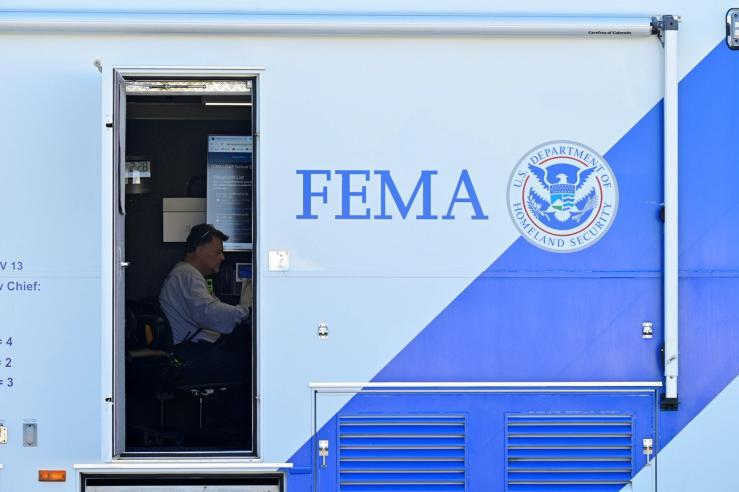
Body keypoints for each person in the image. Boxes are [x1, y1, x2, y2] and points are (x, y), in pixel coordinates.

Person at [159, 223, 249, 382]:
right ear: (200, 250)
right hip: (193, 357)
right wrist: (246, 311)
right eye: (218, 252)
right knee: (252, 365)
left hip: (190, 353)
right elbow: (209, 312)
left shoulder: (185, 274)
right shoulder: (188, 275)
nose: (222, 257)